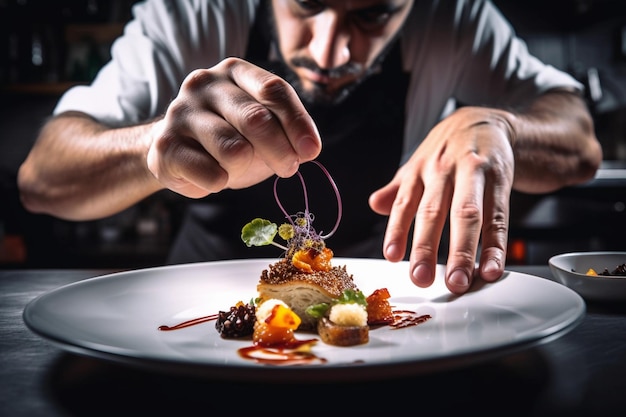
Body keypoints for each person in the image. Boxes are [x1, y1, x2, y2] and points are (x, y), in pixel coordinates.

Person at [17, 0, 602, 295]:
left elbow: (579, 140)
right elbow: (41, 179)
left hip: (389, 308)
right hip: (195, 310)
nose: (329, 54)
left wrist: (501, 125)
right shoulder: (193, 13)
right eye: (306, 4)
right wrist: (152, 147)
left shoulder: (455, 16)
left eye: (374, 13)